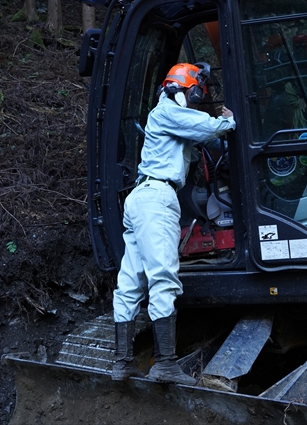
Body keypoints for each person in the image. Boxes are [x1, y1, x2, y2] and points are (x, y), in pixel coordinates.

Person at [111, 62, 235, 385]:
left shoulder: (166, 117)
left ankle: (122, 362)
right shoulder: (168, 111)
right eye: (196, 95)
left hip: (140, 198)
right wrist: (228, 121)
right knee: (163, 278)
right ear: (186, 90)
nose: (196, 100)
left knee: (130, 282)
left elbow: (200, 141)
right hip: (156, 198)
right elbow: (208, 128)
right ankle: (166, 364)